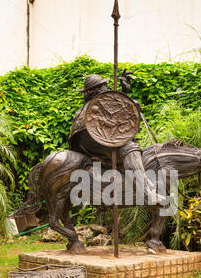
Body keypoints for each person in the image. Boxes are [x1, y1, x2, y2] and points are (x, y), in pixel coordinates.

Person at [68, 71, 164, 206]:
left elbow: (117, 107)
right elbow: (115, 111)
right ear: (96, 89)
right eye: (104, 85)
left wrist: (124, 93)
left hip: (84, 141)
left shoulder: (90, 105)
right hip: (91, 138)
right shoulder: (97, 104)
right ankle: (147, 193)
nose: (107, 87)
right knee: (130, 148)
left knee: (125, 148)